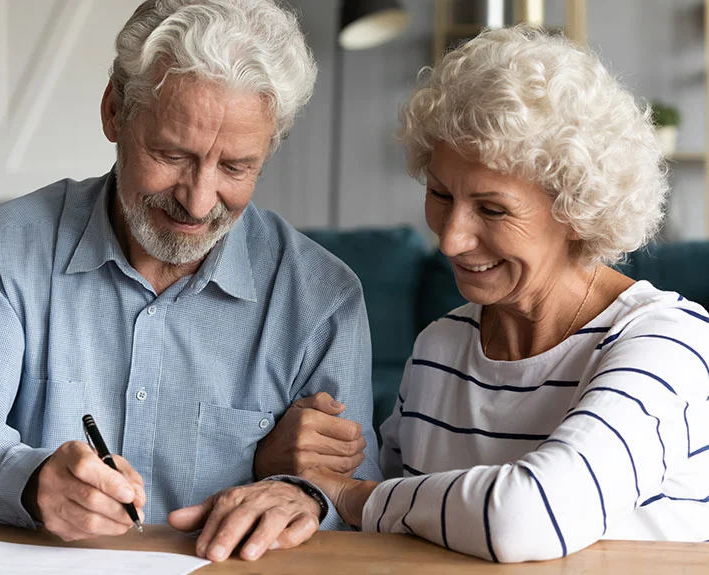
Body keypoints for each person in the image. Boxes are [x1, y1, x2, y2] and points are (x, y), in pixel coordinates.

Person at [0, 0, 380, 562]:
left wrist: (297, 488)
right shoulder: (7, 247)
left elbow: (358, 507)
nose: (198, 201)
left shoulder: (322, 298)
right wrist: (30, 482)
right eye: (171, 154)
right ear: (113, 113)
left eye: (235, 167)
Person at [277, 26, 709, 562]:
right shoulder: (441, 347)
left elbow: (527, 517)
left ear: (577, 209)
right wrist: (300, 470)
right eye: (439, 194)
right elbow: (389, 522)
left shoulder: (670, 344)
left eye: (493, 209)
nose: (451, 238)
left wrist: (352, 496)